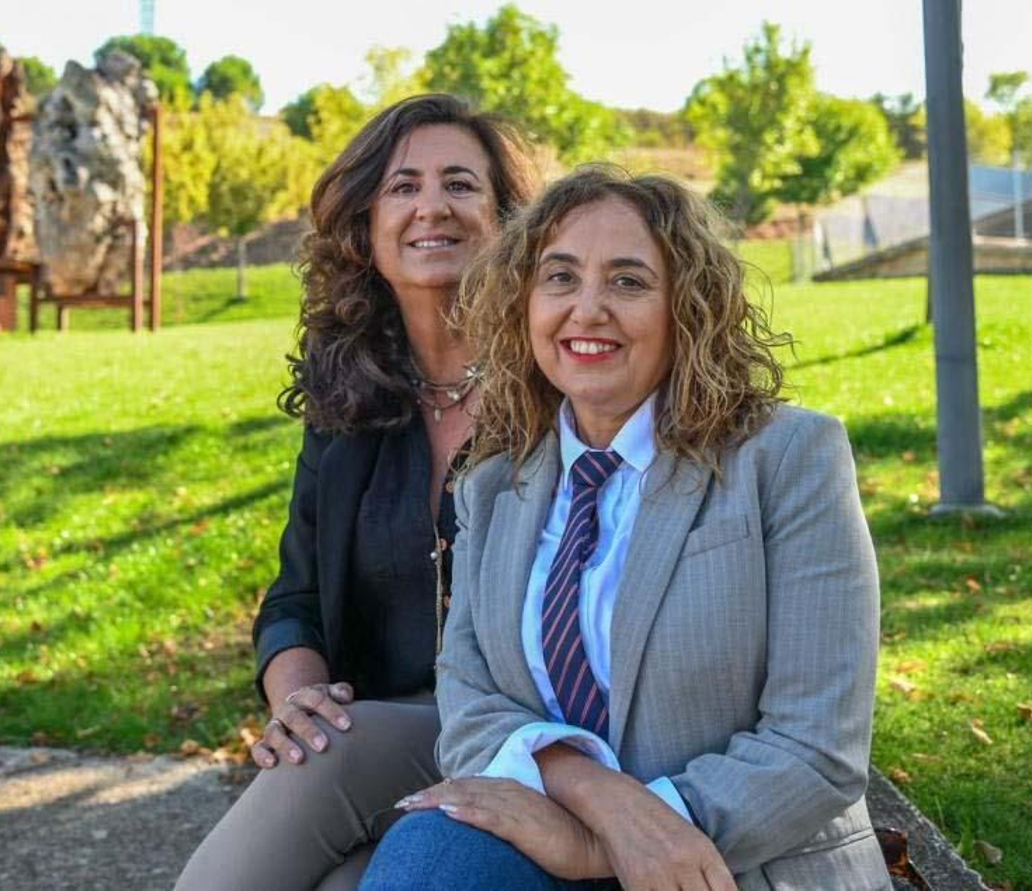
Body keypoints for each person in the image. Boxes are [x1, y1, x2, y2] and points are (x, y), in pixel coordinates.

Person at [363, 167, 888, 890]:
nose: (588, 309)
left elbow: (817, 745)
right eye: (560, 277)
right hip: (543, 832)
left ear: (688, 308)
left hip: (733, 860)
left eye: (629, 281)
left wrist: (616, 842)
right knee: (429, 857)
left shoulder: (789, 459)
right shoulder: (492, 485)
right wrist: (590, 791)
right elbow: (469, 695)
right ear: (524, 303)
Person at [174, 94, 537, 891]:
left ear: (511, 219)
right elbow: (294, 599)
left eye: (461, 185)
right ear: (366, 229)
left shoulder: (560, 386)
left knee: (337, 759)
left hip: (526, 734)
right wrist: (297, 701)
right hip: (371, 734)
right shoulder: (350, 404)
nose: (430, 206)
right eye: (403, 186)